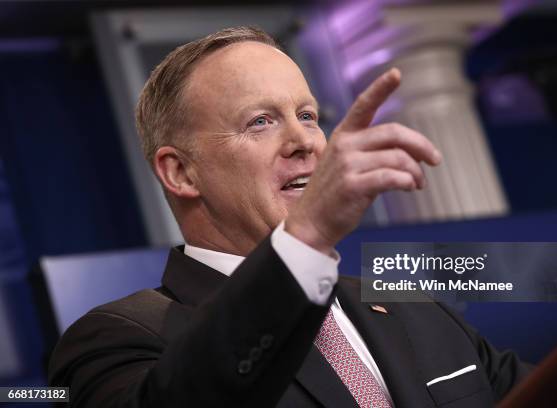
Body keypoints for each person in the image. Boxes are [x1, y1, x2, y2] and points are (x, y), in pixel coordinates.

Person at [49, 26, 530, 407]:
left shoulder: (412, 305)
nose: (305, 141)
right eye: (260, 121)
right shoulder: (117, 338)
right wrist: (307, 239)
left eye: (307, 115)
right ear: (181, 172)